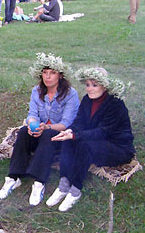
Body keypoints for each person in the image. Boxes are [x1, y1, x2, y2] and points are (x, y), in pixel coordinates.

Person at [47, 68, 135, 211]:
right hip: (96, 139)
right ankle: (64, 184)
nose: (90, 89)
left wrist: (76, 135)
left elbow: (104, 132)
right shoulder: (87, 100)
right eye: (87, 85)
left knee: (84, 145)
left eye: (94, 85)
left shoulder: (116, 104)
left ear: (104, 86)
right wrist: (70, 130)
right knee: (67, 139)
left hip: (117, 147)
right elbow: (80, 121)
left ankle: (75, 189)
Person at [0, 53, 80, 206]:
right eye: (45, 72)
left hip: (60, 136)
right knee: (23, 131)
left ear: (60, 76)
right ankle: (13, 177)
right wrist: (32, 125)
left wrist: (46, 127)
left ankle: (39, 182)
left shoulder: (70, 94)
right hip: (41, 132)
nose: (48, 77)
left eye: (52, 73)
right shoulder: (37, 91)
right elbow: (32, 114)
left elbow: (66, 123)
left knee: (48, 134)